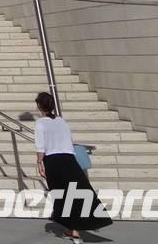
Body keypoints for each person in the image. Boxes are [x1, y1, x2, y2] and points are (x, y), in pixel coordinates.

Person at [34, 91, 112, 238]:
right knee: (77, 192)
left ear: (39, 106)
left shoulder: (40, 123)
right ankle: (76, 228)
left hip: (53, 161)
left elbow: (40, 147)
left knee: (61, 195)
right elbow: (69, 141)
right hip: (69, 159)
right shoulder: (61, 121)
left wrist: (39, 163)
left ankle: (72, 228)